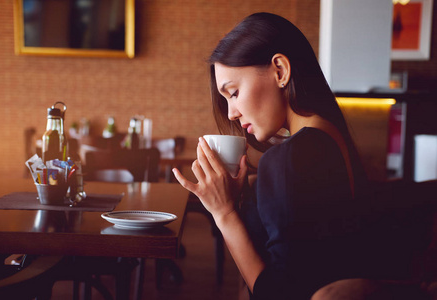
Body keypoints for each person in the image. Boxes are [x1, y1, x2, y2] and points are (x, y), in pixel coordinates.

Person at [172, 12, 424, 299]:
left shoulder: (287, 161)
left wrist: (224, 213)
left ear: (280, 71)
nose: (231, 112)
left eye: (233, 92)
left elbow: (278, 294)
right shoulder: (331, 138)